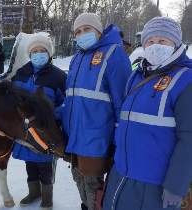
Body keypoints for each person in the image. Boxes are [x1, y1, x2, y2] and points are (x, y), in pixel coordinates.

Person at [103, 17, 192, 210]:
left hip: (155, 185)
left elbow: (189, 139)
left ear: (176, 44)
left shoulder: (186, 80)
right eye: (150, 41)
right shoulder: (137, 76)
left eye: (162, 41)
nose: (155, 46)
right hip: (121, 177)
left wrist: (176, 186)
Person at [57, 13, 132, 210]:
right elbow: (72, 98)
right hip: (74, 135)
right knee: (78, 178)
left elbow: (122, 101)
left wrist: (118, 137)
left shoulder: (114, 54)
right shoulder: (77, 58)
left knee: (93, 184)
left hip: (97, 137)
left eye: (87, 29)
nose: (82, 34)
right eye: (78, 31)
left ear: (99, 31)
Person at [11, 33, 66, 210]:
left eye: (42, 50)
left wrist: (51, 114)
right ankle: (34, 192)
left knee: (45, 165)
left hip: (46, 131)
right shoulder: (21, 73)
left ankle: (47, 197)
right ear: (30, 53)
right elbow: (12, 99)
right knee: (30, 164)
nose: (38, 54)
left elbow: (67, 102)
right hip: (26, 131)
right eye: (35, 51)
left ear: (49, 53)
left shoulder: (58, 76)